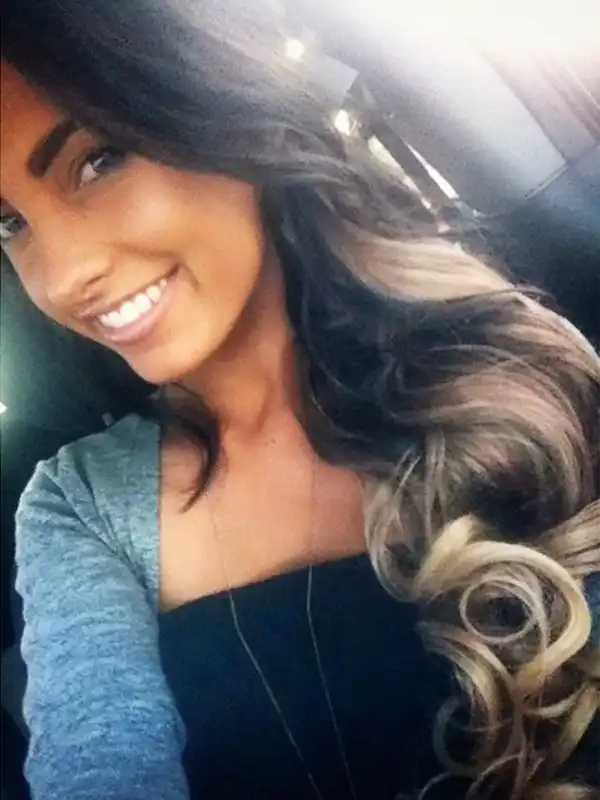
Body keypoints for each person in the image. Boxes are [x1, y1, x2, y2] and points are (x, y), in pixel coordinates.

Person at [1, 1, 598, 798]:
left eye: (98, 160)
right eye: (9, 223)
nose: (62, 275)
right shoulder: (79, 505)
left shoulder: (498, 358)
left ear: (219, 114)